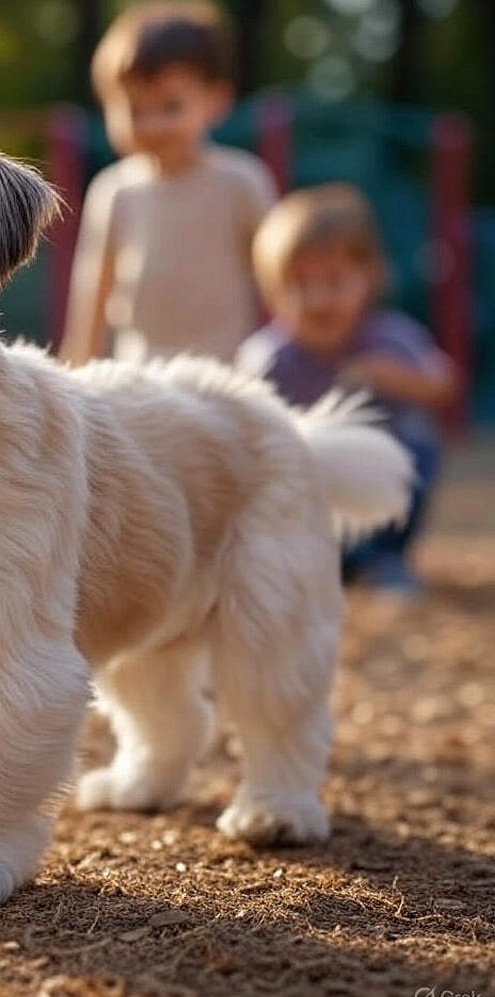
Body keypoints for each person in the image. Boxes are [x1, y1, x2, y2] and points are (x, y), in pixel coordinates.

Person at [237, 183, 458, 594]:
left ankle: (388, 555)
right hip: (308, 499)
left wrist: (399, 378)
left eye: (335, 280)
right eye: (300, 284)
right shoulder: (269, 356)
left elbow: (445, 383)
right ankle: (323, 561)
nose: (319, 299)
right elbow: (240, 420)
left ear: (369, 276)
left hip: (382, 488)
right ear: (273, 292)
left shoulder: (389, 338)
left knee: (416, 440)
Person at [59, 0, 276, 367]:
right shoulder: (113, 192)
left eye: (171, 107)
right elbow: (92, 298)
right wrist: (75, 369)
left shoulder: (243, 182)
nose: (152, 125)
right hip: (142, 384)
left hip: (226, 380)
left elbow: (278, 281)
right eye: (135, 111)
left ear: (216, 101)